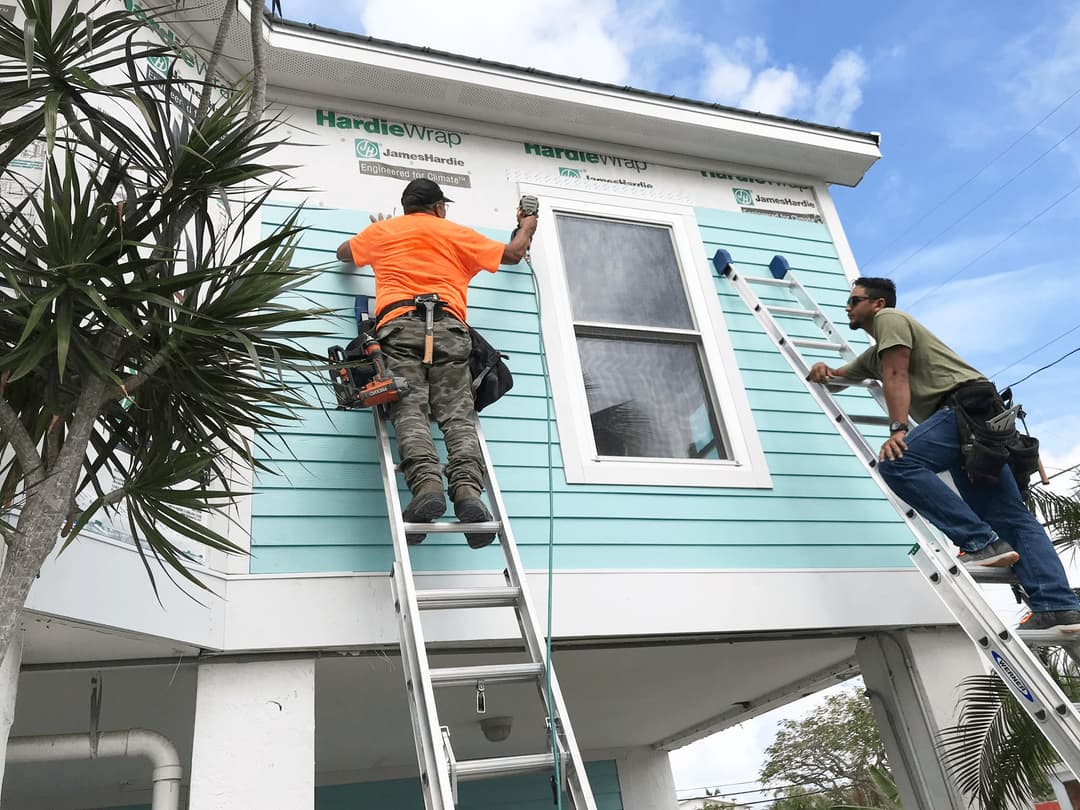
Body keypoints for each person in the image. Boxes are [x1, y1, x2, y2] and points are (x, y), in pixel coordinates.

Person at [808, 277, 1080, 632]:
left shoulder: (890, 319)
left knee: (899, 462)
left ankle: (980, 542)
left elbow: (895, 373)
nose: (847, 306)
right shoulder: (878, 352)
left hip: (963, 411)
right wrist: (825, 372)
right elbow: (845, 375)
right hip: (979, 421)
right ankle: (1058, 607)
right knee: (1011, 517)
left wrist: (898, 429)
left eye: (854, 300)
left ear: (877, 304)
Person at [336, 178, 537, 548]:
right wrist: (527, 226)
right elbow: (512, 254)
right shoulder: (455, 233)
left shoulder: (385, 231)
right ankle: (467, 494)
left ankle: (428, 486)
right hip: (448, 329)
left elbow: (343, 252)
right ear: (439, 207)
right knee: (457, 416)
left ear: (407, 207)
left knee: (409, 411)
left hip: (398, 330)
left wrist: (377, 234)